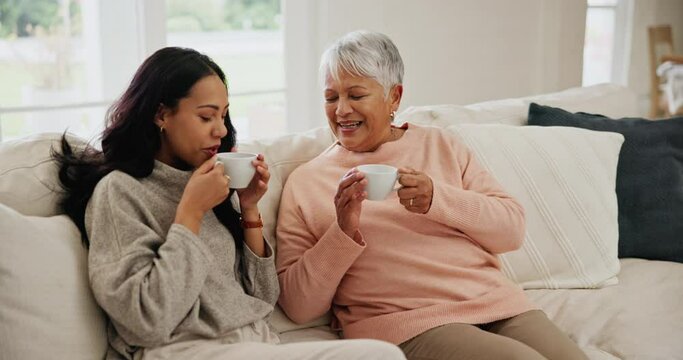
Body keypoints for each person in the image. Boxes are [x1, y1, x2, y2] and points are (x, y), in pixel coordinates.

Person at [54, 46, 405, 360]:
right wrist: (189, 213)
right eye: (206, 117)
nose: (221, 130)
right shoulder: (120, 193)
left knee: (380, 354)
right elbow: (147, 320)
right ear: (161, 115)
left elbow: (264, 299)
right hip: (185, 349)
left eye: (223, 116)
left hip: (254, 344)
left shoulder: (209, 183)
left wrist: (249, 209)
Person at [276, 31, 589, 360]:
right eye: (330, 97)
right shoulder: (307, 182)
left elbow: (512, 230)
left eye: (356, 95)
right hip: (407, 323)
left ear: (394, 98)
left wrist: (438, 200)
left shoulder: (442, 146)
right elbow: (299, 307)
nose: (341, 110)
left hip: (497, 304)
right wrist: (342, 231)